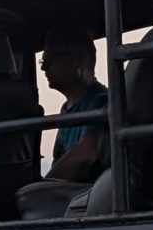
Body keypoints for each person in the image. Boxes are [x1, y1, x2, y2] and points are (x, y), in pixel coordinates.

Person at [42, 36, 108, 183]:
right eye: (42, 61)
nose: (43, 68)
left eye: (50, 60)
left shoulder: (102, 102)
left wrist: (40, 188)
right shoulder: (66, 109)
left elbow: (84, 158)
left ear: (79, 60)